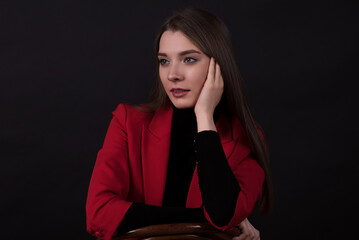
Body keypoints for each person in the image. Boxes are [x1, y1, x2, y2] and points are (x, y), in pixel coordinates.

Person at [86, 8, 273, 240]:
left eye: (189, 59)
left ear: (219, 65)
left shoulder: (247, 137)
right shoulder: (128, 122)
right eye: (164, 61)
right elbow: (99, 212)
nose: (173, 74)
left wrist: (204, 117)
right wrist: (204, 220)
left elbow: (222, 213)